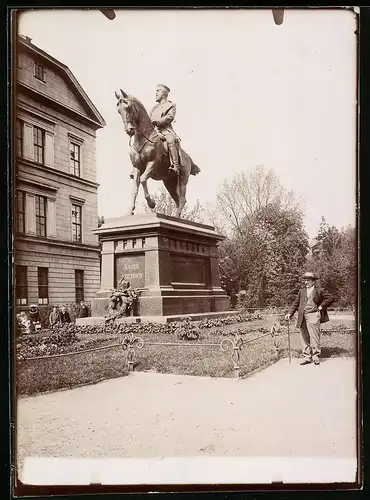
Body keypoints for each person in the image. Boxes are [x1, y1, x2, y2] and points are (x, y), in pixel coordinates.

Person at [285, 272, 334, 366]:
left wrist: (321, 307)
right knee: (304, 337)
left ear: (313, 282)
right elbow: (296, 303)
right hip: (302, 316)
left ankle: (315, 357)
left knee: (314, 337)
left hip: (313, 315)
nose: (306, 282)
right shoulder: (301, 291)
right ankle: (307, 357)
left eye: (308, 280)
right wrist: (289, 313)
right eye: (305, 280)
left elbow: (330, 298)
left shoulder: (319, 290)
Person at [150, 84, 181, 174]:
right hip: (154, 130)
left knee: (170, 140)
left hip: (165, 130)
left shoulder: (170, 105)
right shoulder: (154, 108)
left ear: (164, 93)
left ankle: (175, 165)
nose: (156, 93)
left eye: (158, 91)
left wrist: (156, 121)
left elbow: (169, 117)